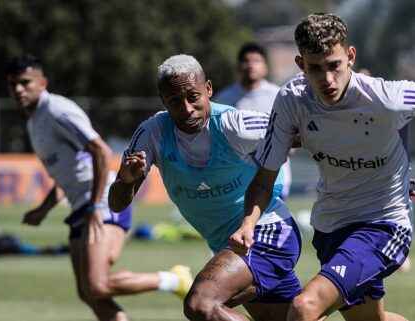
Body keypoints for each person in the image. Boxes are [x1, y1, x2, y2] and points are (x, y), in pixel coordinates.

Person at [230, 13, 415, 321]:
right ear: (301, 65)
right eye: (315, 68)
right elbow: (263, 180)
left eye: (334, 65)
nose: (327, 79)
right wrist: (247, 225)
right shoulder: (291, 100)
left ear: (350, 57)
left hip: (384, 226)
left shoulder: (385, 97)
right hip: (330, 228)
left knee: (304, 307)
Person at [108, 54, 302, 321]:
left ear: (208, 89)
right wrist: (127, 180)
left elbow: (295, 131)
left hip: (267, 231)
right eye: (175, 101)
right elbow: (116, 203)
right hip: (230, 247)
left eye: (193, 97)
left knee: (200, 303)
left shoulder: (234, 125)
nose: (186, 109)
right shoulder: (152, 133)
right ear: (163, 100)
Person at [6, 53, 192, 321]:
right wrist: (43, 209)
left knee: (96, 285)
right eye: (13, 84)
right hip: (82, 205)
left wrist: (94, 206)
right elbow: (68, 173)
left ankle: (174, 280)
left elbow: (101, 152)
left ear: (42, 82)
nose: (19, 89)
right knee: (88, 292)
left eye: (25, 82)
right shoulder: (34, 121)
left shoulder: (56, 110)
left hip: (103, 202)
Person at [214, 42, 293, 200]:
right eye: (246, 61)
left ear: (265, 67)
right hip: (238, 179)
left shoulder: (279, 95)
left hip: (275, 177)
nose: (250, 65)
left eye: (256, 61)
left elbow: (292, 139)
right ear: (238, 67)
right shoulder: (224, 99)